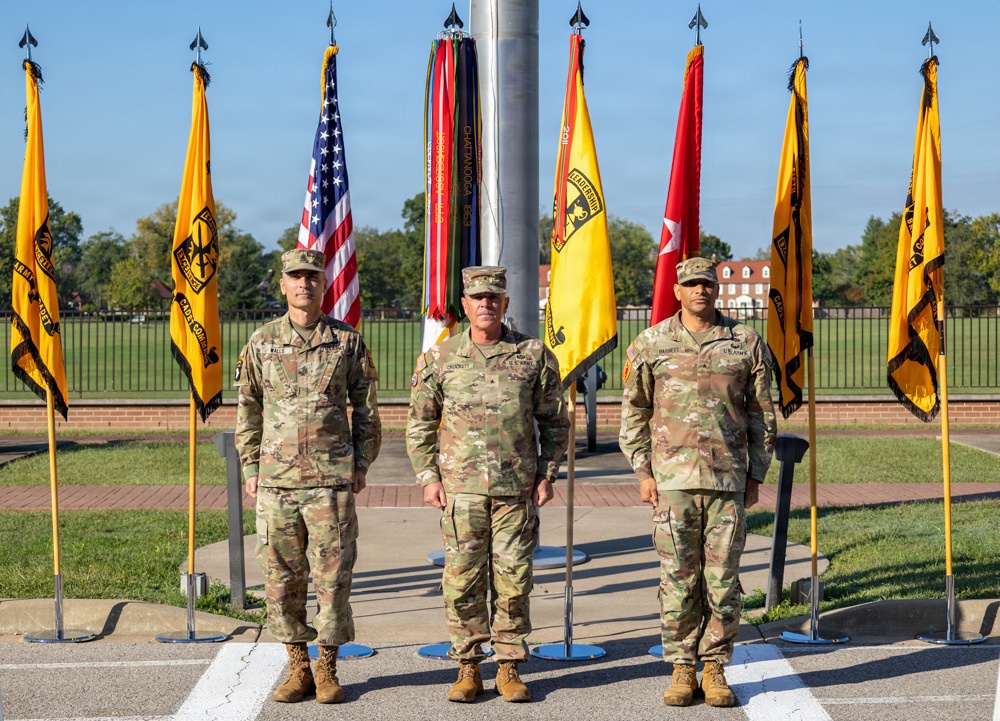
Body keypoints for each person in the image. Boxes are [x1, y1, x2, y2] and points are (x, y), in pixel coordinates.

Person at [407, 266, 570, 704]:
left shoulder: (532, 355)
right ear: (464, 304)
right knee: (461, 582)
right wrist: (428, 477)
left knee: (514, 580)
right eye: (477, 297)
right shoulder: (440, 359)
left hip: (516, 491)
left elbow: (555, 422)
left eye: (493, 297)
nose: (485, 304)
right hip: (461, 492)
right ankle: (467, 667)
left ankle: (510, 666)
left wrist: (547, 474)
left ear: (505, 304)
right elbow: (420, 423)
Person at [619, 257, 776, 708]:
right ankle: (682, 668)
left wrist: (755, 474)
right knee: (678, 579)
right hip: (672, 484)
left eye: (707, 284)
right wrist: (643, 472)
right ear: (677, 291)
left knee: (723, 579)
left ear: (717, 289)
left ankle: (715, 667)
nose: (700, 291)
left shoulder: (745, 342)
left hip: (728, 481)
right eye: (691, 285)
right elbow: (634, 411)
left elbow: (760, 412)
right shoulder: (652, 343)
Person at [235, 248, 381, 705]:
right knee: (281, 579)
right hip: (276, 483)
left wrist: (360, 463)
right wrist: (250, 466)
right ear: (282, 284)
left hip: (329, 482)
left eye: (312, 277)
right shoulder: (261, 343)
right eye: (295, 277)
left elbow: (368, 410)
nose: (304, 284)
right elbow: (248, 410)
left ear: (324, 285)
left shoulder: (347, 342)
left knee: (333, 579)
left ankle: (327, 668)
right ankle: (297, 666)